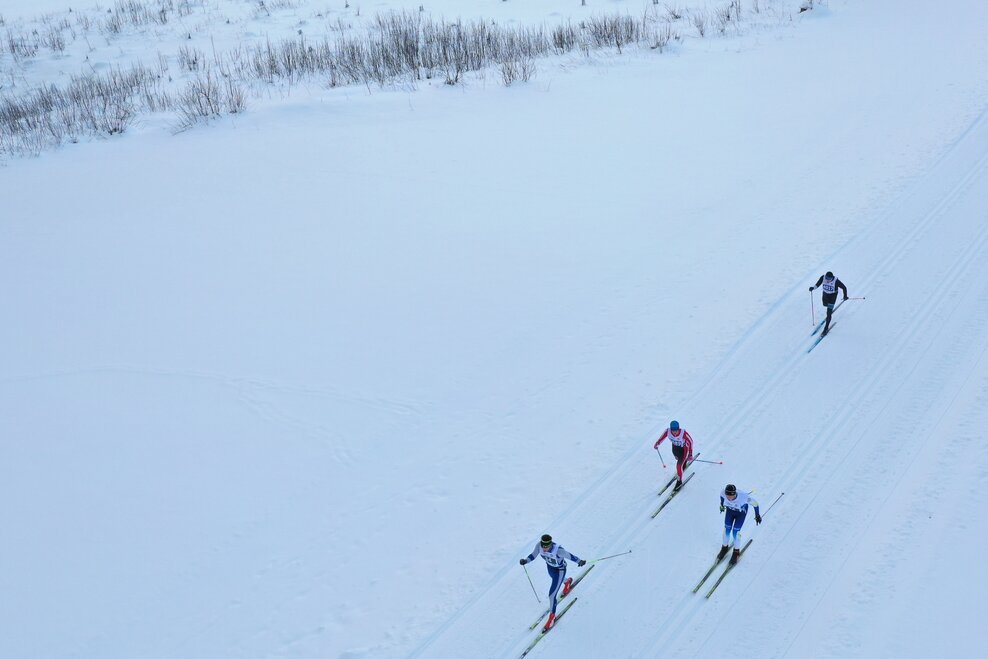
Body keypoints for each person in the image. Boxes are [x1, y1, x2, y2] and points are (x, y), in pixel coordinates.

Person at [520, 534, 586, 631]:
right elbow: (533, 555)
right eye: (543, 546)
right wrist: (525, 561)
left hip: (560, 570)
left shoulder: (559, 550)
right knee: (555, 580)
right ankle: (567, 582)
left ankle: (552, 617)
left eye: (546, 546)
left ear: (551, 544)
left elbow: (570, 556)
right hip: (550, 568)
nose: (544, 548)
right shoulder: (539, 546)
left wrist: (579, 561)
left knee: (552, 595)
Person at [718, 484, 761, 565]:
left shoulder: (743, 497)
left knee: (735, 532)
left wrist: (757, 515)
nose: (729, 498)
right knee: (727, 529)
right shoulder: (723, 493)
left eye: (731, 496)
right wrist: (722, 505)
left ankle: (736, 552)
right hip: (730, 512)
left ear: (735, 494)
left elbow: (755, 504)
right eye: (728, 496)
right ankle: (724, 547)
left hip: (740, 514)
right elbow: (722, 498)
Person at [653, 420, 694, 490]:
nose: (675, 432)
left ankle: (679, 482)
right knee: (677, 458)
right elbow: (662, 438)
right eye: (673, 430)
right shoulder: (667, 431)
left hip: (684, 449)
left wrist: (690, 454)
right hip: (675, 448)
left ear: (678, 428)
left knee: (679, 466)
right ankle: (683, 463)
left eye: (676, 430)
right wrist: (657, 443)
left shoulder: (683, 433)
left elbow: (691, 442)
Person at [809, 271, 849, 336]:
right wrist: (813, 288)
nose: (827, 280)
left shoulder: (836, 281)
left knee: (828, 312)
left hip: (832, 296)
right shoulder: (823, 277)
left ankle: (826, 328)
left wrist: (845, 296)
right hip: (825, 295)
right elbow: (818, 284)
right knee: (824, 304)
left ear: (832, 277)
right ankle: (829, 309)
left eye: (829, 279)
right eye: (826, 278)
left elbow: (844, 287)